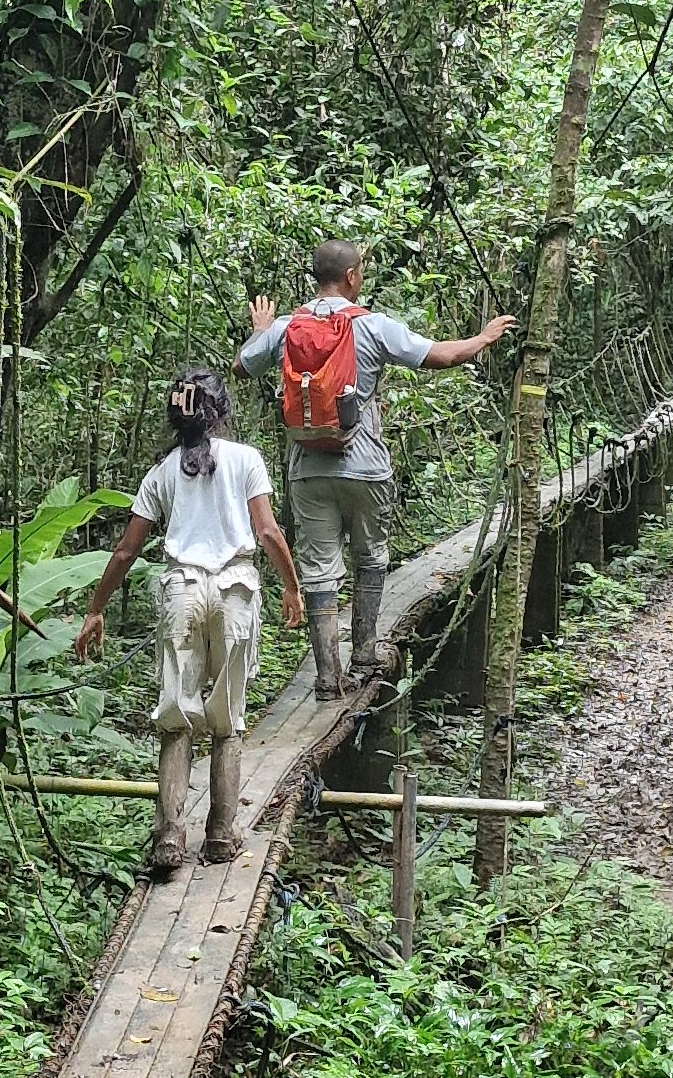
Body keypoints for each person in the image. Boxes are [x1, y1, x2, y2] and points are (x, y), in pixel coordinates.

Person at [239, 241, 513, 695]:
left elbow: (242, 366)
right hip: (365, 465)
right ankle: (364, 654)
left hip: (308, 468)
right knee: (370, 558)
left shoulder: (288, 326)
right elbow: (438, 356)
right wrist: (482, 338)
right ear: (351, 277)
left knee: (320, 569)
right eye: (360, 270)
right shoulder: (371, 326)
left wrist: (262, 329)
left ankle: (327, 677)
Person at [72, 367, 303, 875]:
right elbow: (266, 530)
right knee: (228, 719)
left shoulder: (162, 472)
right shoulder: (247, 460)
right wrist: (291, 585)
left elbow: (127, 548)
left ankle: (170, 838)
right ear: (219, 412)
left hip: (182, 590)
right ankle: (221, 833)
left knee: (176, 718)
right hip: (235, 590)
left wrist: (95, 609)